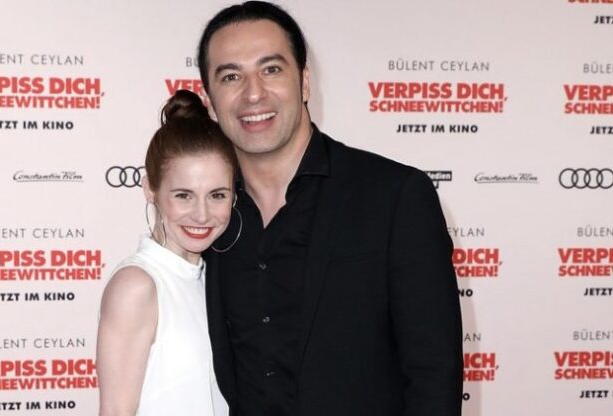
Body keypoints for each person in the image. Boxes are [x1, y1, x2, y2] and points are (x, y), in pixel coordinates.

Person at [197, 2, 463, 415]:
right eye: (231, 76)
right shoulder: (202, 217)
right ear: (210, 101)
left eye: (271, 69)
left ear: (304, 82)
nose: (253, 93)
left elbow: (434, 376)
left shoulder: (395, 196)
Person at [96, 89, 236, 416]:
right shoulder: (137, 285)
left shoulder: (215, 280)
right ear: (151, 189)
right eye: (184, 195)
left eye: (217, 195)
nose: (202, 215)